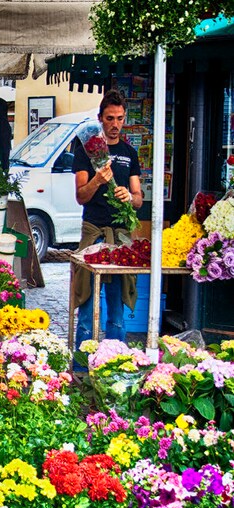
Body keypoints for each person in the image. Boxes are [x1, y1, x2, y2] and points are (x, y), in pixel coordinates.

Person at [72, 90, 143, 354]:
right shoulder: (86, 151)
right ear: (100, 118)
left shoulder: (129, 153)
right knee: (88, 304)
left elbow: (138, 199)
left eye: (120, 118)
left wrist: (129, 197)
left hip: (121, 236)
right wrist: (97, 180)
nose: (115, 124)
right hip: (93, 233)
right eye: (110, 118)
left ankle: (115, 365)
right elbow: (81, 196)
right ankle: (81, 366)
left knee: (116, 307)